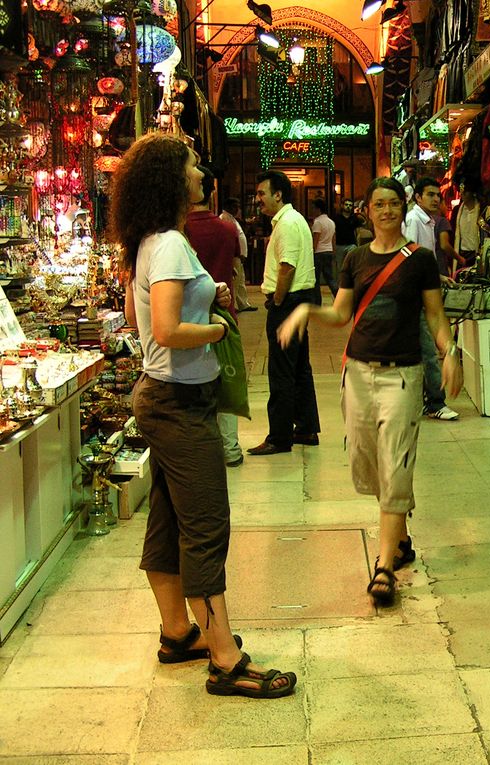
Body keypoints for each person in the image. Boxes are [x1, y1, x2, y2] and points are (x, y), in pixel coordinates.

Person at [110, 133, 296, 698]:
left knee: (169, 521)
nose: (202, 174)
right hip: (178, 403)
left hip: (163, 396)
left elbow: (141, 315)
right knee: (206, 527)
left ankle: (176, 633)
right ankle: (223, 655)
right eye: (193, 166)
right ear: (172, 178)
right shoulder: (168, 242)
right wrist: (217, 329)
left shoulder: (152, 241)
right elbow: (164, 331)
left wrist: (204, 292)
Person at [277, 177, 462, 605]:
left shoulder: (420, 260)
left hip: (402, 375)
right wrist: (305, 309)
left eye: (394, 203)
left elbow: (435, 317)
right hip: (357, 373)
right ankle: (399, 536)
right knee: (368, 463)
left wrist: (449, 352)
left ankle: (383, 566)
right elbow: (342, 313)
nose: (387, 211)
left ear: (403, 207)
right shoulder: (355, 258)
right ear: (367, 210)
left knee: (395, 463)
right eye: (379, 204)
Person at [248, 169, 321, 455]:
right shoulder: (292, 220)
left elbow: (287, 266)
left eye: (262, 194)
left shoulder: (288, 223)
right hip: (298, 300)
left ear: (278, 195)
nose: (259, 199)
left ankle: (279, 437)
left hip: (289, 302)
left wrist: (277, 301)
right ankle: (305, 428)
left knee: (281, 371)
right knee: (299, 367)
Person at [184, 166, 244, 468]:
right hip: (224, 314)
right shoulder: (226, 229)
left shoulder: (180, 232)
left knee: (196, 386)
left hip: (188, 317)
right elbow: (233, 264)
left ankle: (203, 451)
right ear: (212, 192)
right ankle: (230, 449)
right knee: (227, 381)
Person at [403, 177, 459, 421]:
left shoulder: (428, 221)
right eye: (431, 195)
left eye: (438, 195)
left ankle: (426, 400)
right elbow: (408, 256)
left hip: (423, 293)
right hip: (415, 296)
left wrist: (438, 276)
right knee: (428, 350)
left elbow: (421, 260)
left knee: (424, 350)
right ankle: (436, 402)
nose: (437, 199)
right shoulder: (414, 220)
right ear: (417, 197)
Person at [220, 197, 255, 312]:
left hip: (238, 255)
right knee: (235, 281)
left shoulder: (232, 219)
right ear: (228, 207)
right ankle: (234, 305)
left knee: (240, 280)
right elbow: (230, 239)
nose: (237, 209)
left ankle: (243, 303)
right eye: (235, 206)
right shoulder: (224, 218)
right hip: (234, 255)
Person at [310, 198, 337, 302]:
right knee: (330, 278)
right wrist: (333, 252)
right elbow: (333, 239)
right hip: (328, 251)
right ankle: (338, 297)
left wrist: (312, 252)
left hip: (319, 252)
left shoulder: (317, 222)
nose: (312, 210)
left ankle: (317, 302)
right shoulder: (331, 222)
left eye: (314, 208)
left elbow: (315, 240)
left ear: (318, 209)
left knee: (315, 280)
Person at [453, 182, 481, 271]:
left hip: (476, 253)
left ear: (472, 192)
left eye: (465, 192)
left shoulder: (481, 209)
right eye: (460, 191)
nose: (462, 194)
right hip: (462, 254)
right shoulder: (457, 210)